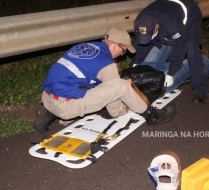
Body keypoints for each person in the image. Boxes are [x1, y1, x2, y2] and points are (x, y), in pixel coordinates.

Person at [34, 28, 177, 133]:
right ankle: (152, 116)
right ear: (116, 45)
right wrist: (122, 110)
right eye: (124, 50)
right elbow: (115, 101)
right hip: (64, 106)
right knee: (121, 86)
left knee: (90, 84)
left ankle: (49, 113)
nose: (122, 55)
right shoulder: (106, 63)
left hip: (47, 96)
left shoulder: (84, 46)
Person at [131, 0, 209, 104]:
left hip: (190, 14)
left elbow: (180, 47)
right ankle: (182, 70)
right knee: (152, 48)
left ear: (157, 27)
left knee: (192, 50)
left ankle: (201, 90)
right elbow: (141, 45)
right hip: (166, 9)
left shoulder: (172, 25)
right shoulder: (139, 23)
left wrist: (171, 74)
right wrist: (136, 62)